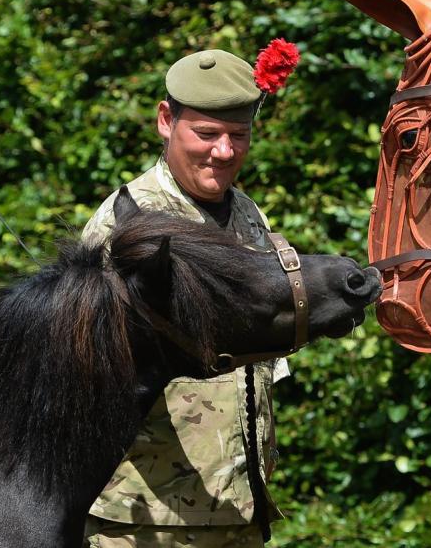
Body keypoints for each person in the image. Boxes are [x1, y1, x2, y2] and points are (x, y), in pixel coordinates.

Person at [82, 47, 293, 548]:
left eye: (238, 136)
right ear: (164, 121)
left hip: (240, 509)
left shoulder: (248, 215)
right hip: (142, 518)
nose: (223, 151)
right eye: (206, 134)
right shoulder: (125, 223)